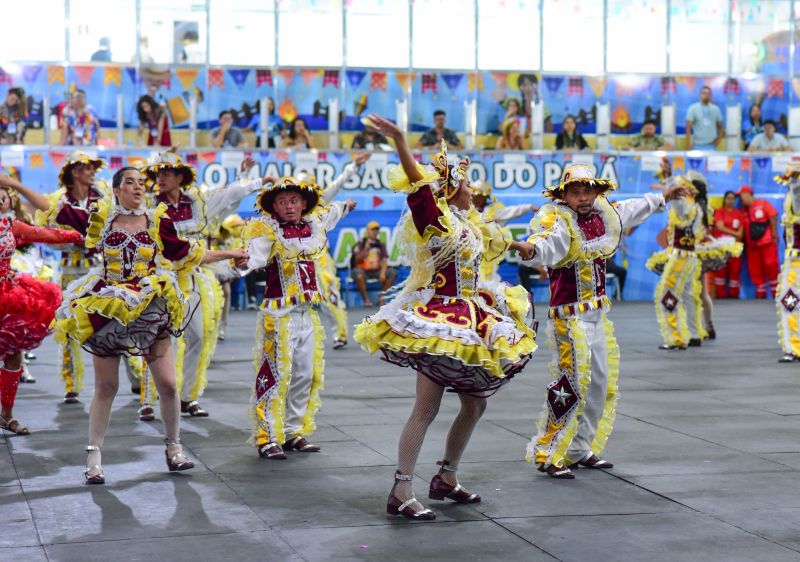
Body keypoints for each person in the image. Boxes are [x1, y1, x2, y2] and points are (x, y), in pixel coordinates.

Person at [355, 115, 535, 520]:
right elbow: (418, 186)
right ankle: (401, 488)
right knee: (426, 408)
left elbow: (497, 238)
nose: (474, 191)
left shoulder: (468, 225)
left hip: (472, 319)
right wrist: (401, 140)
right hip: (442, 321)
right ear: (453, 190)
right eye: (468, 185)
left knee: (475, 405)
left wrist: (523, 245)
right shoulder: (435, 221)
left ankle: (446, 478)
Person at [54, 167, 246, 484]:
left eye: (142, 183)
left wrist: (230, 252)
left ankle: (174, 447)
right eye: (130, 182)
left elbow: (187, 253)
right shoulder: (99, 220)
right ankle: (93, 457)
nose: (138, 187)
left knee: (168, 384)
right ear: (116, 190)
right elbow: (59, 220)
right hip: (108, 308)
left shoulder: (158, 221)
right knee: (106, 386)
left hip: (149, 308)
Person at [519, 164, 685, 479]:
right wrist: (530, 250)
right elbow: (545, 243)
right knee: (569, 386)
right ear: (564, 195)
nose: (582, 197)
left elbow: (636, 208)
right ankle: (547, 450)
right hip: (570, 318)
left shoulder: (604, 215)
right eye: (575, 191)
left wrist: (664, 195)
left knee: (600, 385)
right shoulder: (558, 221)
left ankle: (580, 449)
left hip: (597, 315)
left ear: (596, 193)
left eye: (588, 191)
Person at [2, 153, 143, 402]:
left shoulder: (105, 198)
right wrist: (75, 242)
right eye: (88, 168)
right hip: (69, 271)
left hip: (101, 269)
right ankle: (72, 384)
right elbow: (50, 231)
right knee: (68, 328)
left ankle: (137, 378)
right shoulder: (59, 200)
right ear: (75, 171)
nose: (92, 173)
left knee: (120, 321)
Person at [138, 150, 268, 420]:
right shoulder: (149, 205)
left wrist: (256, 182)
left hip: (196, 275)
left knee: (198, 335)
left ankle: (187, 397)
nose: (160, 178)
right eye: (158, 174)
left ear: (180, 177)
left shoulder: (198, 201)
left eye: (167, 173)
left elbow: (229, 195)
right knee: (157, 337)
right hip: (163, 278)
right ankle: (149, 399)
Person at [240, 177, 356, 460]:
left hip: (307, 313)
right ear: (274, 207)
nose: (289, 206)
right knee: (274, 375)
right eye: (282, 201)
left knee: (305, 374)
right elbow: (251, 259)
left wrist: (347, 205)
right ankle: (266, 435)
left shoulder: (314, 225)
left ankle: (294, 432)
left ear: (304, 204)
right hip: (278, 316)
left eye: (294, 200)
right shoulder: (268, 232)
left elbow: (333, 211)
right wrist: (240, 260)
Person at [0, 184, 83, 435]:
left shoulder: (10, 227)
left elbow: (47, 234)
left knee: (13, 355)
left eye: (2, 197)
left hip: (7, 297)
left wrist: (81, 235)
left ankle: (7, 415)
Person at [296, 152, 372, 349]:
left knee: (329, 295)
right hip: (296, 261)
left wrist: (353, 166)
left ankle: (340, 333)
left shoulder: (318, 202)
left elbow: (337, 184)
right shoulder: (289, 209)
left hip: (319, 258)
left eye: (308, 189)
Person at [774, 165, 800, 362]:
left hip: (797, 261)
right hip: (793, 259)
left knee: (789, 300)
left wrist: (795, 182)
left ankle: (794, 347)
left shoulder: (796, 194)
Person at [738, 185, 780, 298]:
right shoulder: (742, 211)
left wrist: (774, 233)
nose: (740, 199)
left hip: (767, 242)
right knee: (754, 269)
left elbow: (773, 215)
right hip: (752, 246)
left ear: (747, 194)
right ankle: (760, 293)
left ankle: (776, 293)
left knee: (771, 265)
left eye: (741, 196)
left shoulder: (763, 204)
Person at [350, 221, 397, 307]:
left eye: (376, 230)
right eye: (372, 230)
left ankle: (381, 297)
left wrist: (383, 272)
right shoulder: (361, 243)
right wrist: (366, 250)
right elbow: (355, 261)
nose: (375, 232)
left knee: (392, 273)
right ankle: (366, 300)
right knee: (358, 274)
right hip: (363, 271)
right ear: (367, 230)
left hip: (377, 270)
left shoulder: (380, 243)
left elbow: (384, 259)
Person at [712, 191, 745, 298]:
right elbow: (720, 227)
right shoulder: (719, 212)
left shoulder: (739, 213)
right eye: (728, 198)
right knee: (720, 270)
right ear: (724, 199)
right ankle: (720, 295)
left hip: (735, 247)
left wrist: (735, 235)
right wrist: (734, 234)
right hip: (721, 246)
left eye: (733, 199)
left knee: (735, 270)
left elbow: (741, 233)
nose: (730, 201)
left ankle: (734, 294)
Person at [685, 86, 723, 150]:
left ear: (711, 96)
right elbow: (688, 128)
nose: (706, 95)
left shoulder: (716, 109)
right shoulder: (693, 108)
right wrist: (688, 144)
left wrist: (717, 142)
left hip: (711, 146)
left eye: (708, 94)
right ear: (699, 95)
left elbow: (721, 128)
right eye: (703, 93)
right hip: (696, 146)